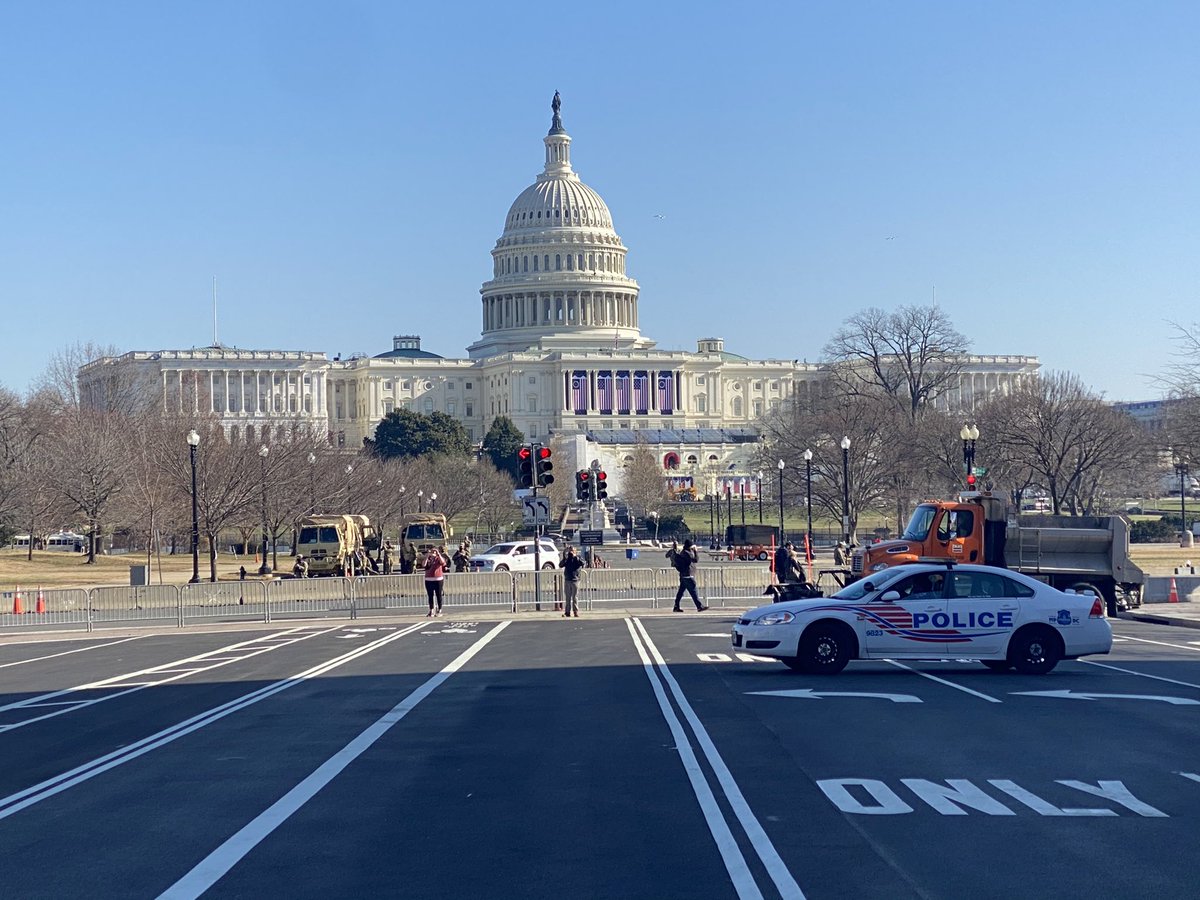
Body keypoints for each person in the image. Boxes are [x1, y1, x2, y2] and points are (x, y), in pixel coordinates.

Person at [665, 539, 707, 612]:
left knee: (681, 591)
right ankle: (699, 606)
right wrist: (695, 551)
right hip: (688, 575)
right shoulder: (687, 553)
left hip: (684, 575)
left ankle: (676, 606)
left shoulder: (683, 552)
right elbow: (696, 560)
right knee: (693, 590)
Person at [420, 544, 451, 617]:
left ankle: (439, 610)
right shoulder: (428, 559)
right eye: (432, 552)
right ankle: (431, 610)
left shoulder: (438, 558)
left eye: (434, 552)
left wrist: (438, 554)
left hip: (438, 579)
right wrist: (427, 556)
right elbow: (424, 565)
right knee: (430, 595)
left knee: (438, 595)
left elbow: (443, 563)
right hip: (428, 579)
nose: (433, 553)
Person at [561, 545, 585, 617]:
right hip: (567, 579)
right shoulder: (567, 559)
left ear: (575, 551)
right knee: (567, 597)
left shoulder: (578, 558)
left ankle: (575, 611)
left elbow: (583, 563)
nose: (571, 552)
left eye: (572, 551)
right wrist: (565, 555)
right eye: (570, 551)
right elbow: (561, 565)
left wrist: (575, 557)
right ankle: (567, 612)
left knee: (575, 597)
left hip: (575, 580)